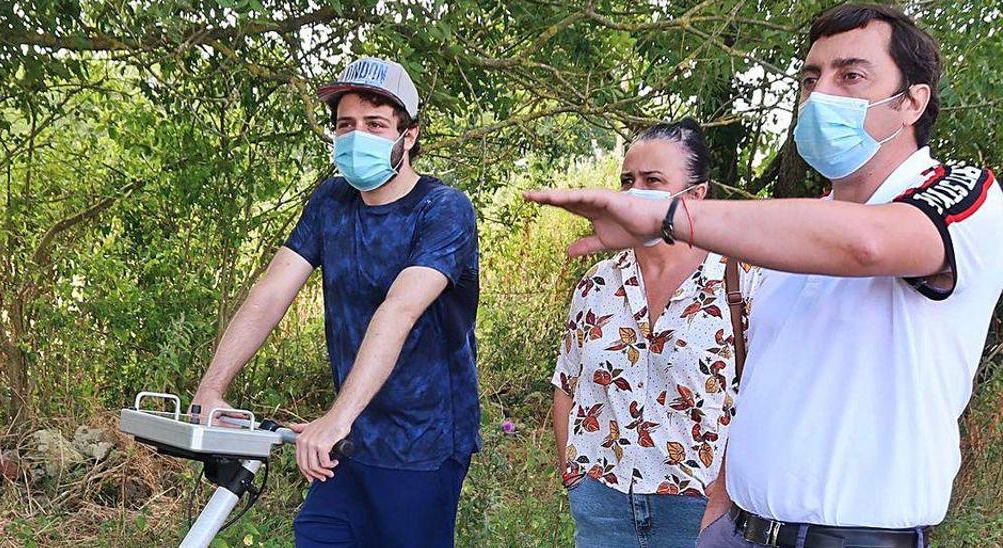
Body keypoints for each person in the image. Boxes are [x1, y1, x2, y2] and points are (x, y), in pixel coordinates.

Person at [526, 4, 1002, 547]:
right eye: (811, 77)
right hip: (742, 530)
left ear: (912, 100)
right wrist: (720, 515)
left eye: (851, 75)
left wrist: (669, 217)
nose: (822, 95)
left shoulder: (963, 193)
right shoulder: (790, 238)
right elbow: (757, 385)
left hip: (853, 537)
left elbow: (869, 245)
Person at [188, 57, 481, 548]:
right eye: (346, 125)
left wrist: (336, 417)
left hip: (423, 444)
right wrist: (211, 389)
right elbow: (272, 290)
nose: (356, 136)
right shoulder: (331, 202)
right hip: (349, 441)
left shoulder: (443, 209)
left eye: (375, 124)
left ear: (408, 135)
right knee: (318, 535)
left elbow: (400, 310)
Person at [550, 119, 744, 548]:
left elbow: (764, 398)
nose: (635, 191)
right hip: (602, 502)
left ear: (696, 195)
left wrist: (725, 494)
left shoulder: (740, 283)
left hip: (701, 507)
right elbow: (566, 382)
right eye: (627, 180)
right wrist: (575, 474)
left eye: (652, 180)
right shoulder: (598, 281)